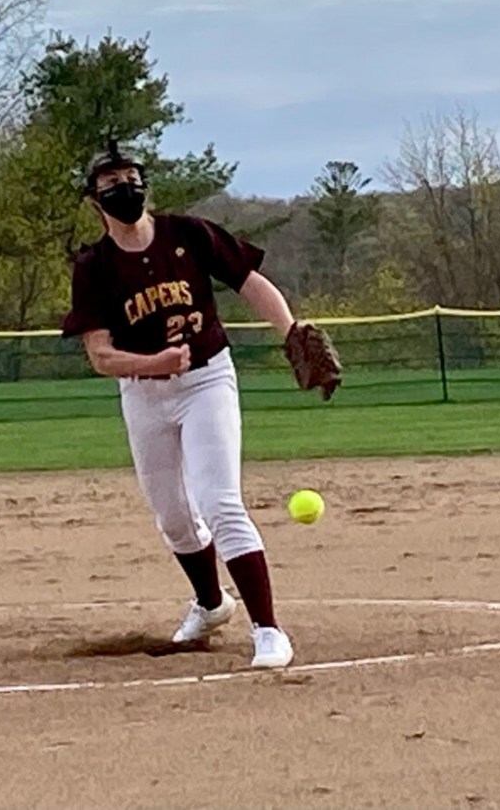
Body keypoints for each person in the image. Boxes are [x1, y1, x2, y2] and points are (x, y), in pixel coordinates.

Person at [61, 140, 339, 669]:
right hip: (144, 392)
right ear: (95, 200)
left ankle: (269, 631)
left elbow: (250, 282)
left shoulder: (188, 234)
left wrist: (291, 332)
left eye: (131, 178)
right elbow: (100, 355)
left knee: (219, 502)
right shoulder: (94, 267)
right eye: (111, 183)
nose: (125, 188)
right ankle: (211, 605)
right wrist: (154, 363)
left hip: (206, 381)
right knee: (172, 517)